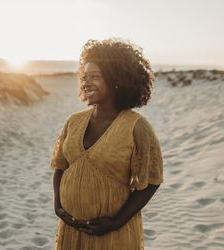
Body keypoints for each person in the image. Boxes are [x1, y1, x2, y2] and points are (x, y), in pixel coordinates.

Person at [50, 38, 164, 249]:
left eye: (95, 76)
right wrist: (58, 205)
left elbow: (151, 182)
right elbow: (60, 166)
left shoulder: (136, 127)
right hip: (71, 231)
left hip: (113, 236)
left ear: (115, 78)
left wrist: (116, 222)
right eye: (84, 77)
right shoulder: (73, 121)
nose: (86, 82)